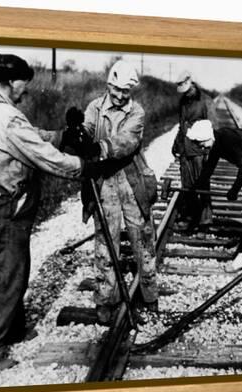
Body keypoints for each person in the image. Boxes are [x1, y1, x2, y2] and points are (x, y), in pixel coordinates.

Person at [0, 54, 96, 370]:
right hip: (2, 206)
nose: (26, 90)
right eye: (24, 82)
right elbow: (43, 155)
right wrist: (84, 167)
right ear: (12, 81)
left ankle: (8, 329)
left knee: (12, 266)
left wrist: (60, 136)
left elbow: (30, 135)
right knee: (4, 273)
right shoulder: (5, 118)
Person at [82, 60, 158, 323]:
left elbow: (127, 141)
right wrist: (79, 135)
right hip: (104, 181)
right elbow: (88, 129)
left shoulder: (136, 112)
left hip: (131, 179)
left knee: (143, 238)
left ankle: (150, 296)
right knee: (105, 241)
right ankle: (106, 300)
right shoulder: (94, 107)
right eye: (116, 89)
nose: (120, 95)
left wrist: (100, 148)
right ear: (108, 85)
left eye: (125, 91)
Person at [192, 120, 242, 272]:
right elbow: (209, 167)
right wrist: (195, 187)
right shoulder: (217, 141)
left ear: (207, 137)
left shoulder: (227, 139)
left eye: (201, 143)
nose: (200, 147)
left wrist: (234, 191)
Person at [171, 71, 218, 232]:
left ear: (191, 83)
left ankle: (206, 221)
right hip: (185, 151)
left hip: (200, 152)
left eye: (186, 88)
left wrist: (209, 151)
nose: (186, 93)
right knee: (187, 187)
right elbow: (182, 125)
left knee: (203, 186)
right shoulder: (183, 102)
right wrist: (176, 144)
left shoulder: (206, 101)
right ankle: (191, 217)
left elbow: (214, 128)